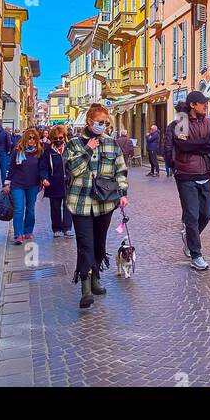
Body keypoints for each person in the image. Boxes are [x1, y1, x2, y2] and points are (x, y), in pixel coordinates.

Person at [66, 103, 129, 309]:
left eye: (106, 123)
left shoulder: (112, 144)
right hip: (80, 202)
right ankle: (85, 285)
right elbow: (73, 170)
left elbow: (120, 170)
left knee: (99, 243)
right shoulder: (74, 143)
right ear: (89, 122)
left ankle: (96, 278)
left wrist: (123, 192)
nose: (103, 126)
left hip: (105, 202)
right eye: (100, 123)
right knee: (85, 244)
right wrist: (87, 149)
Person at [172, 91, 210, 271]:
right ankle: (196, 254)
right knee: (191, 214)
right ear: (193, 105)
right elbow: (182, 146)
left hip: (206, 172)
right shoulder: (181, 121)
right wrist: (202, 143)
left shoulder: (209, 122)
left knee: (206, 213)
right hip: (186, 174)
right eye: (203, 104)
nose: (205, 107)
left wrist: (195, 144)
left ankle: (191, 238)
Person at [6, 127, 44, 244]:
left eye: (34, 138)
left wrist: (43, 180)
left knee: (30, 209)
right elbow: (11, 168)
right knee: (19, 209)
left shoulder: (39, 152)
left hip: (33, 185)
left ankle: (28, 230)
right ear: (25, 139)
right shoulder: (17, 151)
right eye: (29, 138)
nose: (31, 140)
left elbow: (42, 168)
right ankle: (18, 234)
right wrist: (7, 183)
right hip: (18, 184)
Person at [40, 127, 72, 237]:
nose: (58, 139)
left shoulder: (69, 149)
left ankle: (67, 228)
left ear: (64, 137)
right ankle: (56, 228)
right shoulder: (48, 151)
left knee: (68, 206)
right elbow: (43, 167)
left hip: (68, 182)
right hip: (53, 183)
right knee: (55, 207)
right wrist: (44, 178)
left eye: (60, 137)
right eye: (55, 138)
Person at [163, 106, 184, 177]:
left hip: (179, 161)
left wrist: (170, 163)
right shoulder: (197, 124)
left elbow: (168, 146)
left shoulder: (172, 126)